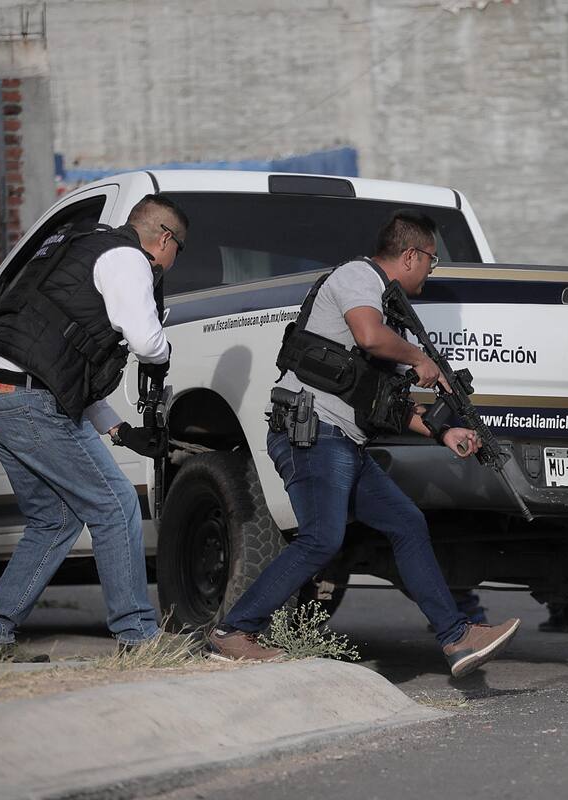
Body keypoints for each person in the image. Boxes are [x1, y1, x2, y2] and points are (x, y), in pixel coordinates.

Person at [207, 211, 520, 678]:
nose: (432, 271)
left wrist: (444, 431)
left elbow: (387, 406)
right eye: (432, 260)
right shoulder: (359, 278)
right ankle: (233, 631)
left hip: (344, 441)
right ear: (410, 255)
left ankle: (457, 638)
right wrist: (419, 358)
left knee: (407, 524)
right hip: (313, 433)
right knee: (321, 538)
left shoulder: (389, 309)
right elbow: (368, 336)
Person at [0, 195, 189, 663]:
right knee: (116, 505)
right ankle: (139, 637)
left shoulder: (81, 250)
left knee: (56, 519)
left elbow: (58, 365)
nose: (170, 263)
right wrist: (163, 358)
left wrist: (121, 431)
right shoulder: (128, 258)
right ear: (163, 238)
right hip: (29, 402)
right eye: (176, 251)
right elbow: (146, 340)